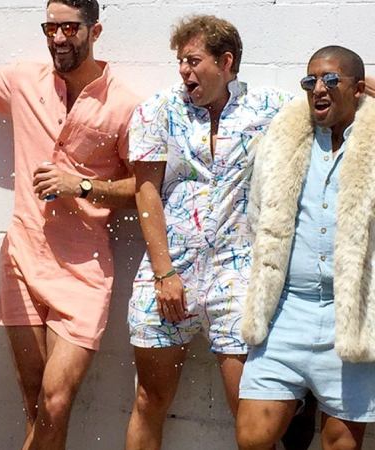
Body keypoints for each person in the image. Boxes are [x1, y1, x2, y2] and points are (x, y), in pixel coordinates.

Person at [0, 1, 138, 447]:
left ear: (94, 31)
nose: (58, 38)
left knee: (55, 401)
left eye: (69, 28)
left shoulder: (124, 104)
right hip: (23, 259)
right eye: (51, 28)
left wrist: (82, 186)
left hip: (85, 271)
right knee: (34, 402)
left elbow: (141, 188)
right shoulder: (23, 80)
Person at [123, 15, 298, 450]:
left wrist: (361, 87)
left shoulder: (269, 106)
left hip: (237, 273)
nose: (184, 70)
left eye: (193, 60)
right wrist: (164, 272)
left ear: (226, 62)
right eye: (180, 61)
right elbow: (146, 191)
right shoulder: (159, 109)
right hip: (169, 268)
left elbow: (329, 105)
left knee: (251, 414)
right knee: (149, 399)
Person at [236, 45, 375, 450]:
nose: (319, 88)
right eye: (310, 80)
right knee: (252, 438)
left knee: (340, 444)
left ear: (358, 88)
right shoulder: (284, 138)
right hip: (287, 313)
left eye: (331, 79)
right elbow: (259, 212)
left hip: (352, 318)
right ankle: (301, 404)